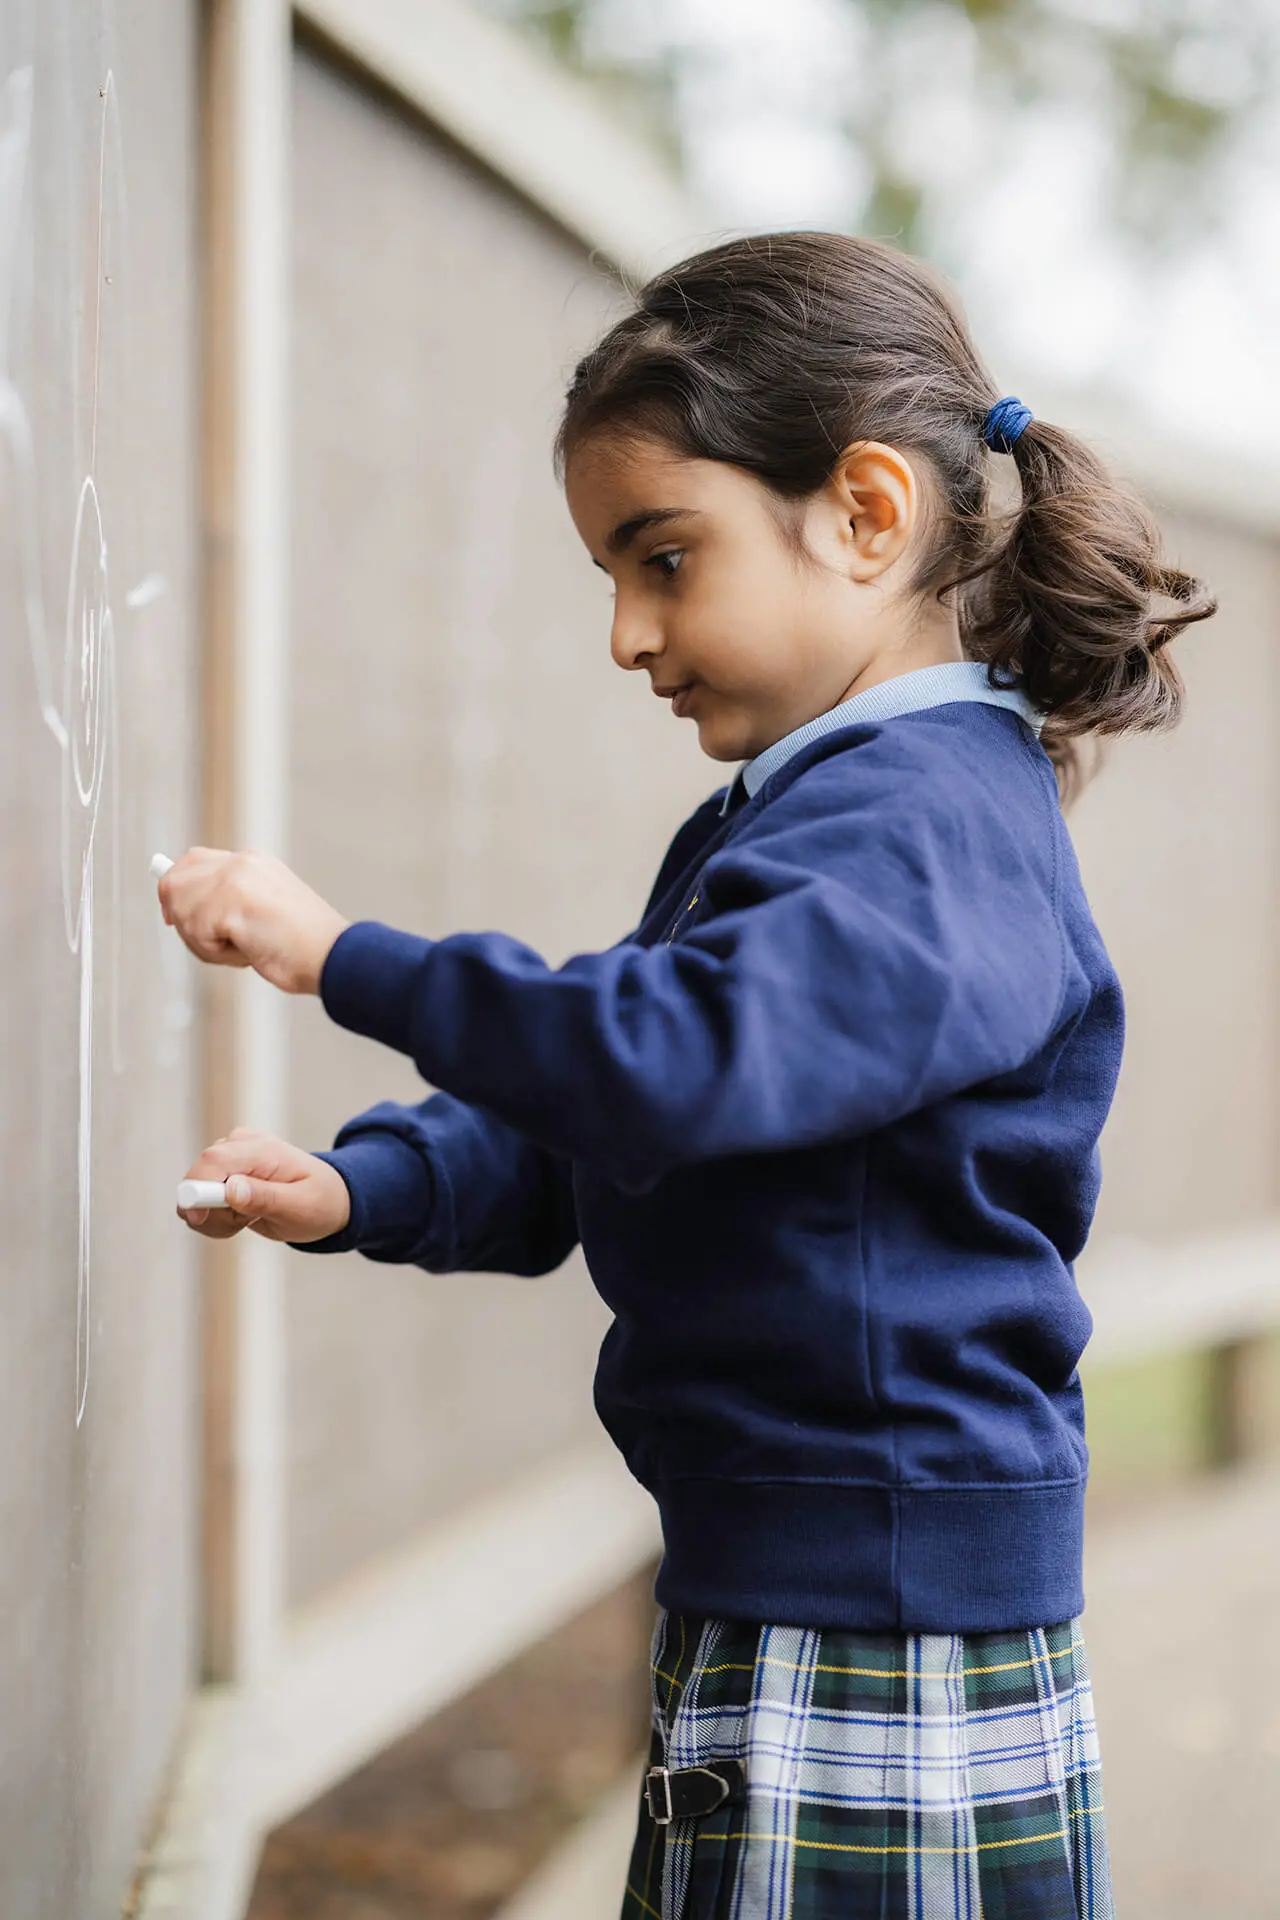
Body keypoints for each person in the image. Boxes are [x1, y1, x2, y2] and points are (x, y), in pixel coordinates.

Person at [160, 231, 1214, 1920]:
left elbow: (664, 1066)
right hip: (813, 1582)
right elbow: (624, 1120)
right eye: (609, 576)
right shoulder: (804, 823)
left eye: (665, 556)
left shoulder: (926, 829)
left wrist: (341, 954)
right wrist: (377, 1183)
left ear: (866, 515)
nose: (628, 634)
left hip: (875, 1620)